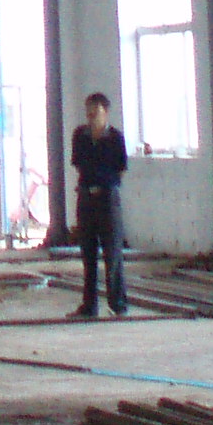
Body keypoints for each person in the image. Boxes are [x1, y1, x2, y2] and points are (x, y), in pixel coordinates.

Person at [69, 92, 131, 320]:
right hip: (86, 198)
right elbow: (78, 164)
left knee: (112, 252)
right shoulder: (80, 136)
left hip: (108, 199)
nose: (91, 117)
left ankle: (118, 304)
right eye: (88, 113)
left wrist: (104, 184)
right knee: (88, 253)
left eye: (95, 113)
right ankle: (89, 305)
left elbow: (121, 169)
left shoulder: (115, 138)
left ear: (106, 112)